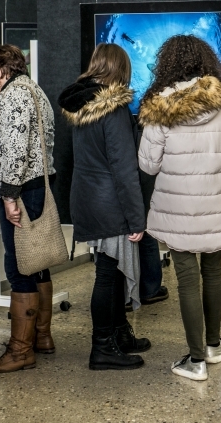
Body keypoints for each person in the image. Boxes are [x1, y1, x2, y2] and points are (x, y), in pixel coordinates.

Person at [138, 35, 221, 381]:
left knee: (187, 281)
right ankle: (213, 345)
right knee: (213, 272)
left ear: (166, 64)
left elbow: (149, 165)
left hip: (176, 207)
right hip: (217, 203)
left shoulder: (158, 108)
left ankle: (196, 361)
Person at [57, 43, 151, 371]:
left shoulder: (83, 105)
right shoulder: (113, 109)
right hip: (110, 201)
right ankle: (102, 347)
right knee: (108, 275)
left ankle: (120, 334)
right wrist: (137, 218)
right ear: (120, 70)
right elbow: (124, 168)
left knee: (109, 271)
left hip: (86, 197)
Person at [0, 45, 57, 373]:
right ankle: (41, 337)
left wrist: (8, 196)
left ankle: (20, 350)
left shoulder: (15, 96)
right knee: (36, 261)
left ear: (1, 71)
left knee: (19, 267)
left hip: (22, 189)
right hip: (35, 186)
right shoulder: (35, 90)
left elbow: (16, 150)